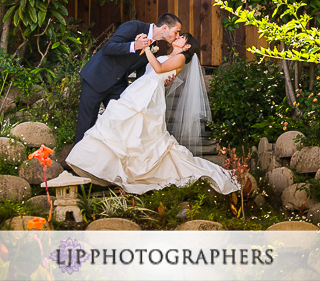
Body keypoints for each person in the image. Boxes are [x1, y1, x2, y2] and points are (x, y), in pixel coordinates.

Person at [66, 32, 239, 195]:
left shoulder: (180, 58)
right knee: (120, 128)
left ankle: (129, 170)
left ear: (186, 47)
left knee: (132, 128)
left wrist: (147, 48)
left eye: (182, 37)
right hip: (140, 91)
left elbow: (158, 68)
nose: (178, 37)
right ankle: (96, 165)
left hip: (147, 96)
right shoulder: (171, 56)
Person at [74, 13, 182, 144]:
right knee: (86, 124)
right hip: (97, 78)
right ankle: (78, 162)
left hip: (118, 84)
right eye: (176, 32)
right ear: (164, 28)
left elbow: (144, 76)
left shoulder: (154, 48)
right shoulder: (134, 26)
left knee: (121, 122)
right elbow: (108, 47)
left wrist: (162, 80)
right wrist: (134, 46)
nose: (177, 36)